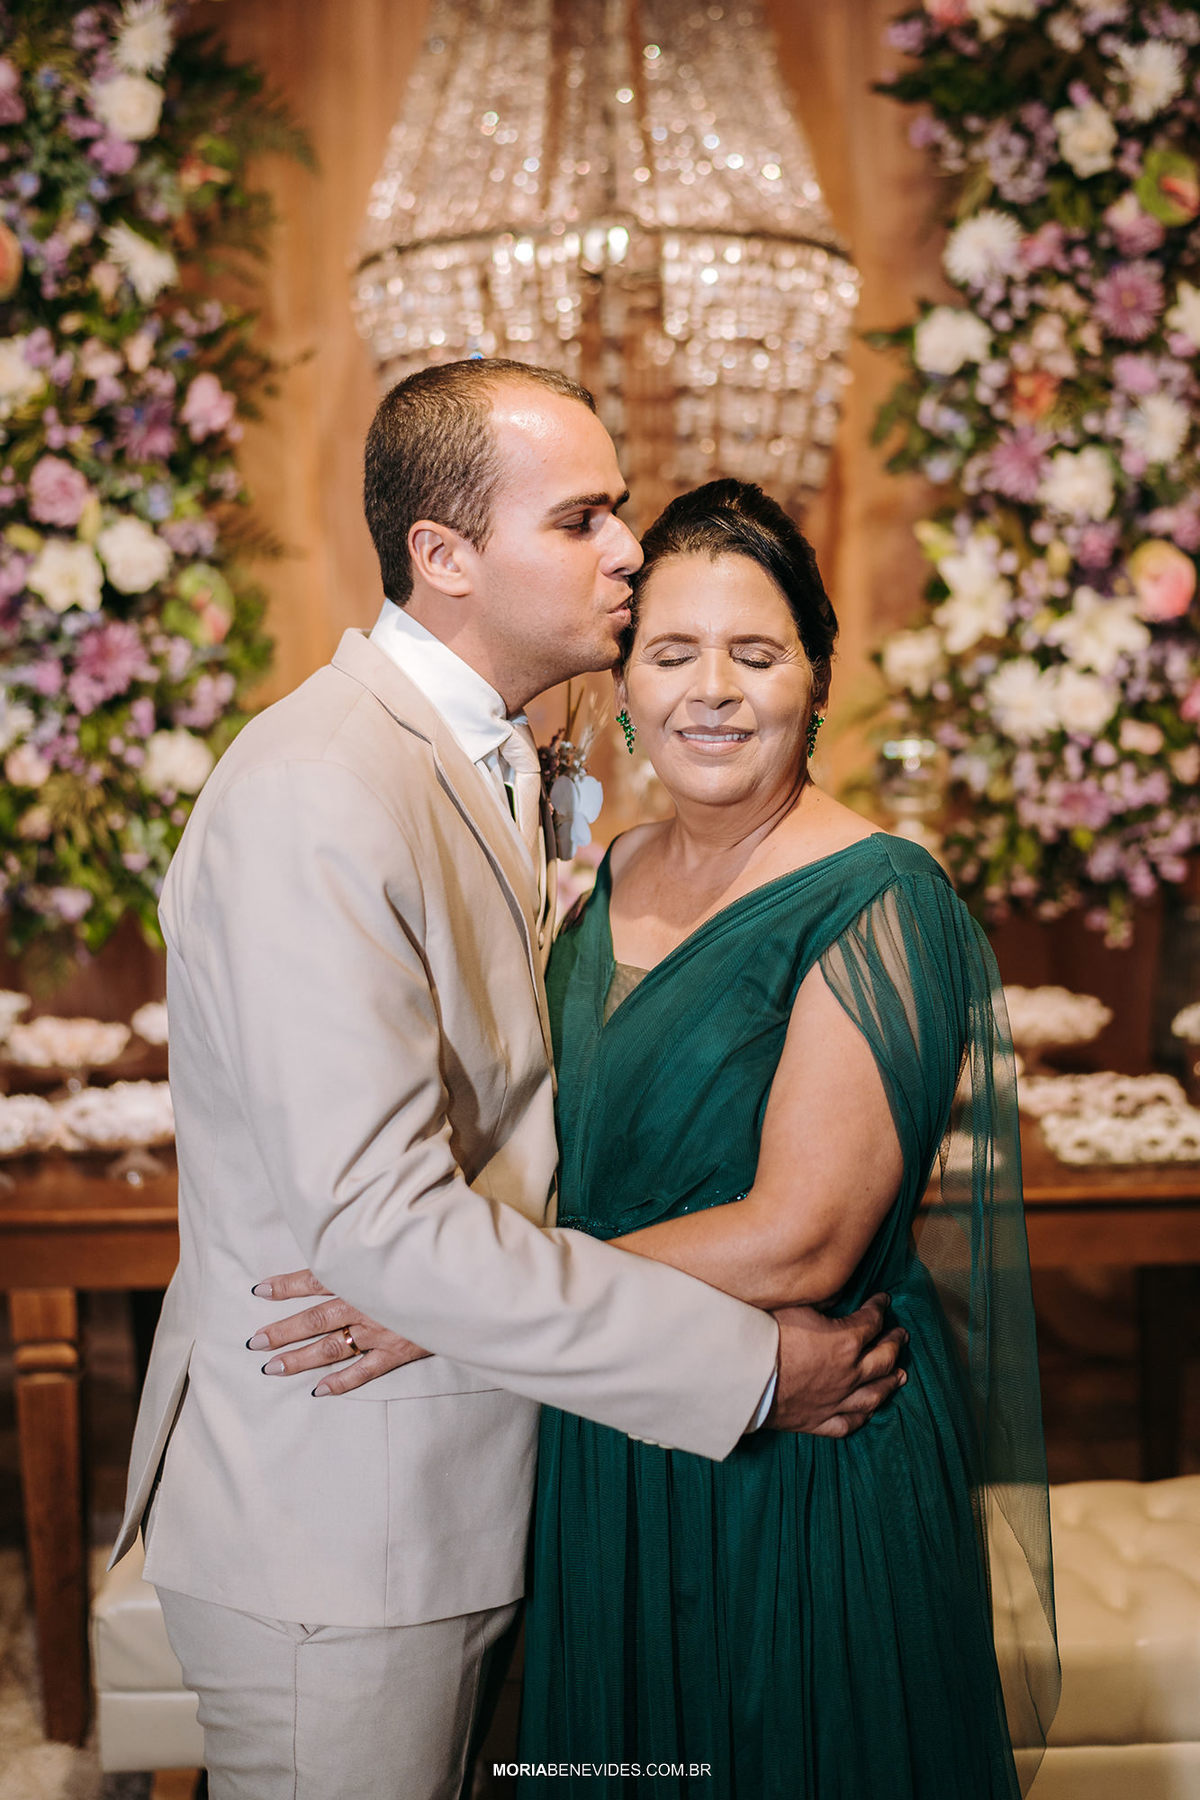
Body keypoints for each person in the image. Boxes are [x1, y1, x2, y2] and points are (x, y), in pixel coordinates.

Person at [112, 362, 906, 1800]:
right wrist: (745, 1370)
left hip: (490, 1488)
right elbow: (383, 1229)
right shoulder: (318, 787)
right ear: (445, 554)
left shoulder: (477, 759)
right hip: (344, 1523)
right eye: (583, 519)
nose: (629, 551)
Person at [268, 478, 1059, 1797]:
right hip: (616, 1427)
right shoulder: (608, 877)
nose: (714, 692)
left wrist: (451, 1304)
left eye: (757, 654)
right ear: (623, 687)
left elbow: (800, 1239)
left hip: (800, 1451)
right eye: (674, 653)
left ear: (816, 680)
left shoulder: (881, 898)